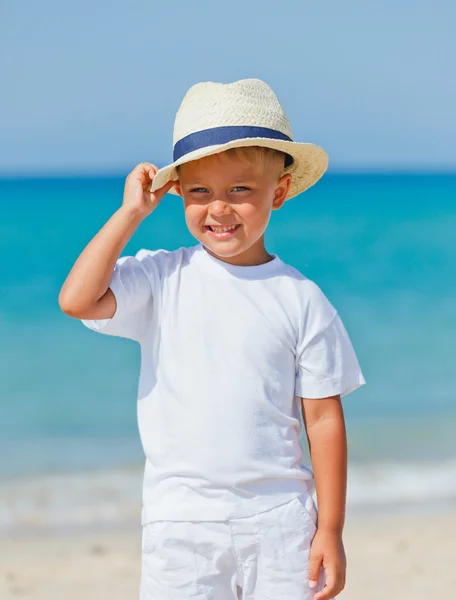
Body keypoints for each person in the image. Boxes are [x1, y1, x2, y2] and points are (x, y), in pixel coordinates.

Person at [59, 78, 365, 600]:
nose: (218, 208)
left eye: (239, 190)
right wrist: (132, 212)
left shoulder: (301, 298)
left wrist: (330, 530)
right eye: (199, 191)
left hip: (279, 520)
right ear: (177, 192)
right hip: (180, 524)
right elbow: (78, 300)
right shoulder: (161, 278)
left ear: (280, 191)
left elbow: (322, 418)